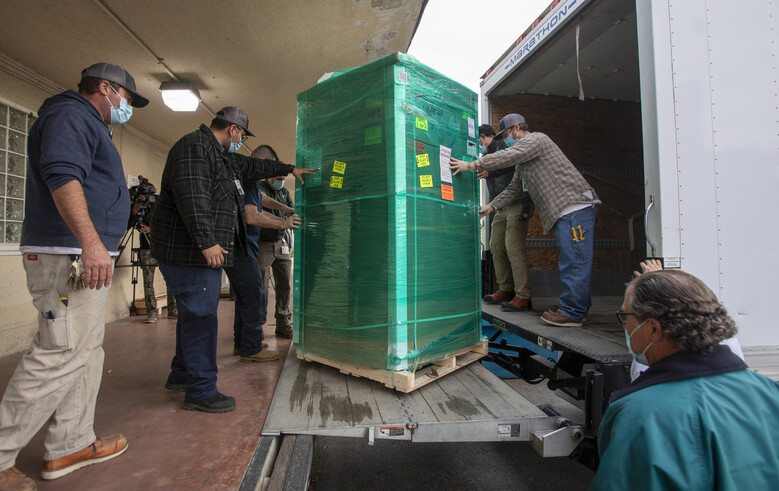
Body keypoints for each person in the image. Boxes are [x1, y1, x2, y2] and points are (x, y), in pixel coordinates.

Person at [0, 62, 148, 486]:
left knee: (85, 349)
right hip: (69, 255)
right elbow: (63, 176)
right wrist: (91, 242)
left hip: (76, 253)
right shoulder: (70, 113)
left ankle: (72, 443)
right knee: (59, 352)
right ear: (106, 88)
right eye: (127, 98)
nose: (127, 107)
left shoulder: (89, 124)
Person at [149, 106, 315, 414]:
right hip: (189, 253)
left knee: (191, 316)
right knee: (201, 318)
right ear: (233, 131)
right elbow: (193, 197)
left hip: (194, 251)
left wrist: (291, 169)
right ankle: (201, 390)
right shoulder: (195, 147)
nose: (240, 142)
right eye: (241, 136)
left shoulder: (220, 155)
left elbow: (252, 165)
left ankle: (181, 374)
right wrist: (207, 242)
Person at [590, 269, 779, 490]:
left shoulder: (637, 416)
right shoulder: (770, 394)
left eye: (625, 317)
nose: (625, 327)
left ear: (653, 328)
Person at [451, 113, 600, 327]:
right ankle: (577, 308)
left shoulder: (537, 139)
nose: (506, 140)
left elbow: (508, 156)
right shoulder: (524, 162)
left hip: (575, 207)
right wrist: (491, 206)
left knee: (574, 261)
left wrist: (474, 164)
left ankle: (573, 312)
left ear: (516, 128)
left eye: (507, 134)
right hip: (568, 211)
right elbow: (513, 189)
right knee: (573, 259)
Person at [223, 144, 300, 363]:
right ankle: (251, 347)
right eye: (271, 168)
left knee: (245, 298)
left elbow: (262, 200)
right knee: (255, 295)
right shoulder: (247, 178)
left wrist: (284, 213)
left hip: (241, 246)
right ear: (264, 160)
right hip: (242, 248)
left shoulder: (248, 181)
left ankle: (243, 342)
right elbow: (252, 216)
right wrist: (283, 222)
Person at [628, 259, 744, 381]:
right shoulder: (719, 334)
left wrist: (655, 285)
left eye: (628, 314)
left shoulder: (664, 344)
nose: (626, 325)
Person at [478, 124, 535, 312]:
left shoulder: (505, 145)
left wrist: (490, 171)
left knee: (514, 248)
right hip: (499, 205)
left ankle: (523, 296)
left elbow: (510, 163)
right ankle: (506, 289)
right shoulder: (486, 156)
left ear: (482, 137)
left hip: (517, 202)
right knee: (495, 246)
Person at [257, 145, 297, 338]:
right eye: (278, 180)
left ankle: (283, 321)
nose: (281, 183)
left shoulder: (284, 192)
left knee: (284, 284)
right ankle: (258, 326)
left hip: (281, 243)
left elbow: (292, 209)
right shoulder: (260, 186)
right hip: (263, 243)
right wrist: (283, 218)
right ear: (270, 176)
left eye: (283, 180)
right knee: (261, 285)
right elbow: (260, 206)